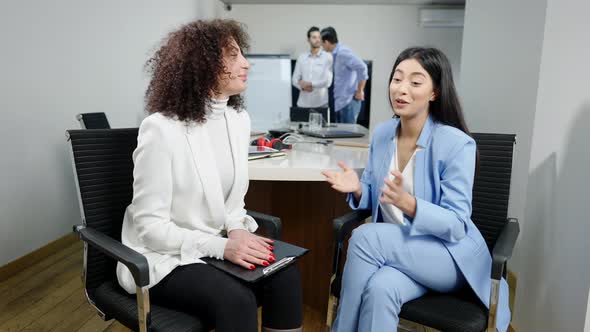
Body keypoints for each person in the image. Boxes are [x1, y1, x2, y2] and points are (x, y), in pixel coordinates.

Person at [116, 19, 302, 332]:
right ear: (201, 64)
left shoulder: (238, 119)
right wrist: (221, 247)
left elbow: (232, 204)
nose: (246, 64)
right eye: (234, 55)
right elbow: (150, 228)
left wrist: (237, 229)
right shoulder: (161, 129)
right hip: (164, 257)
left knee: (286, 274)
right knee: (236, 300)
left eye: (242, 54)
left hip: (215, 243)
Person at [322, 47, 511, 332]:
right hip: (398, 252)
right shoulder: (384, 134)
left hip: (447, 256)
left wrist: (410, 204)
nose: (402, 89)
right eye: (397, 79)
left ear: (434, 92)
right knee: (380, 288)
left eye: (415, 82)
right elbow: (379, 196)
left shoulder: (456, 144)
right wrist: (360, 189)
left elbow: (457, 224)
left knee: (364, 236)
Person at [320, 27, 368, 124]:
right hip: (341, 103)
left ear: (326, 42)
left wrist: (360, 90)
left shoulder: (343, 52)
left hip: (348, 102)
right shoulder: (336, 54)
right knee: (341, 136)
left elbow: (362, 67)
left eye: (322, 43)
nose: (321, 46)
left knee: (348, 137)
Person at [291, 26, 333, 108]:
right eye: (314, 37)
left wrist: (310, 84)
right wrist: (303, 88)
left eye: (319, 37)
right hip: (303, 104)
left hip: (321, 104)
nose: (317, 40)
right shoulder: (301, 57)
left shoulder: (328, 57)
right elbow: (294, 79)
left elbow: (328, 82)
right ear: (308, 39)